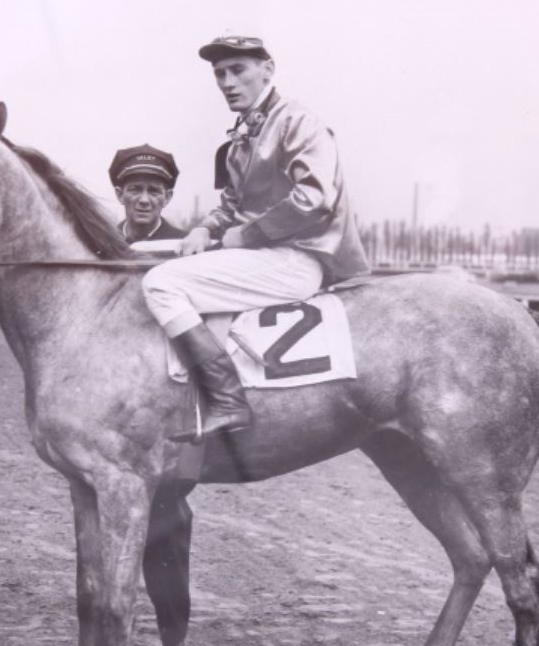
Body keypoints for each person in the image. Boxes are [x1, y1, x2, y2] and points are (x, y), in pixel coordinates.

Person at [142, 35, 370, 442]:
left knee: (162, 283)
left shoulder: (298, 121)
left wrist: (244, 236)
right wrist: (204, 228)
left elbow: (314, 199)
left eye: (237, 70)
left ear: (267, 69)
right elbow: (230, 205)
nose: (228, 82)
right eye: (220, 74)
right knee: (143, 257)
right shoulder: (240, 140)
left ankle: (228, 401)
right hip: (263, 256)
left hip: (297, 259)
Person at [108, 144, 185, 244]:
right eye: (135, 189)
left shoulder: (182, 245)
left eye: (154, 191)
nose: (144, 200)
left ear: (167, 197)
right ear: (120, 195)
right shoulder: (104, 243)